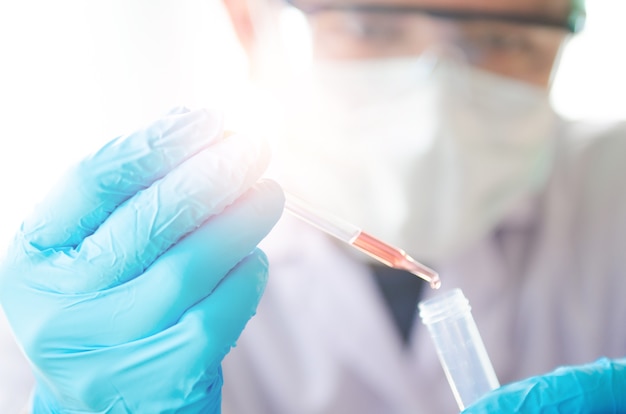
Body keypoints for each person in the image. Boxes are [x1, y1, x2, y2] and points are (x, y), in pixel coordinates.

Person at [1, 1, 625, 413]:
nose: (431, 112)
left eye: (500, 39)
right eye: (369, 26)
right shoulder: (98, 296)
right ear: (250, 22)